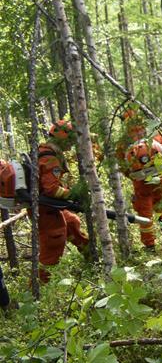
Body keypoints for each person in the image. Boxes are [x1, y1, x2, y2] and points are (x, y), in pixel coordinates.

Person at [36, 120, 89, 282]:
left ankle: (94, 260)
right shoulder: (49, 158)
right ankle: (40, 290)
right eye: (70, 141)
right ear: (62, 138)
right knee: (55, 240)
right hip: (45, 209)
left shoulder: (48, 153)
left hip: (50, 206)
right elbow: (52, 190)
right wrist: (72, 194)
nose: (72, 145)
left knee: (72, 222)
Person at [117, 107, 162, 251]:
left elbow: (123, 166)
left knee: (145, 212)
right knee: (161, 205)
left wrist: (132, 176)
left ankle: (150, 245)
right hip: (160, 179)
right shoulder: (156, 135)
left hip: (141, 184)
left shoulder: (123, 143)